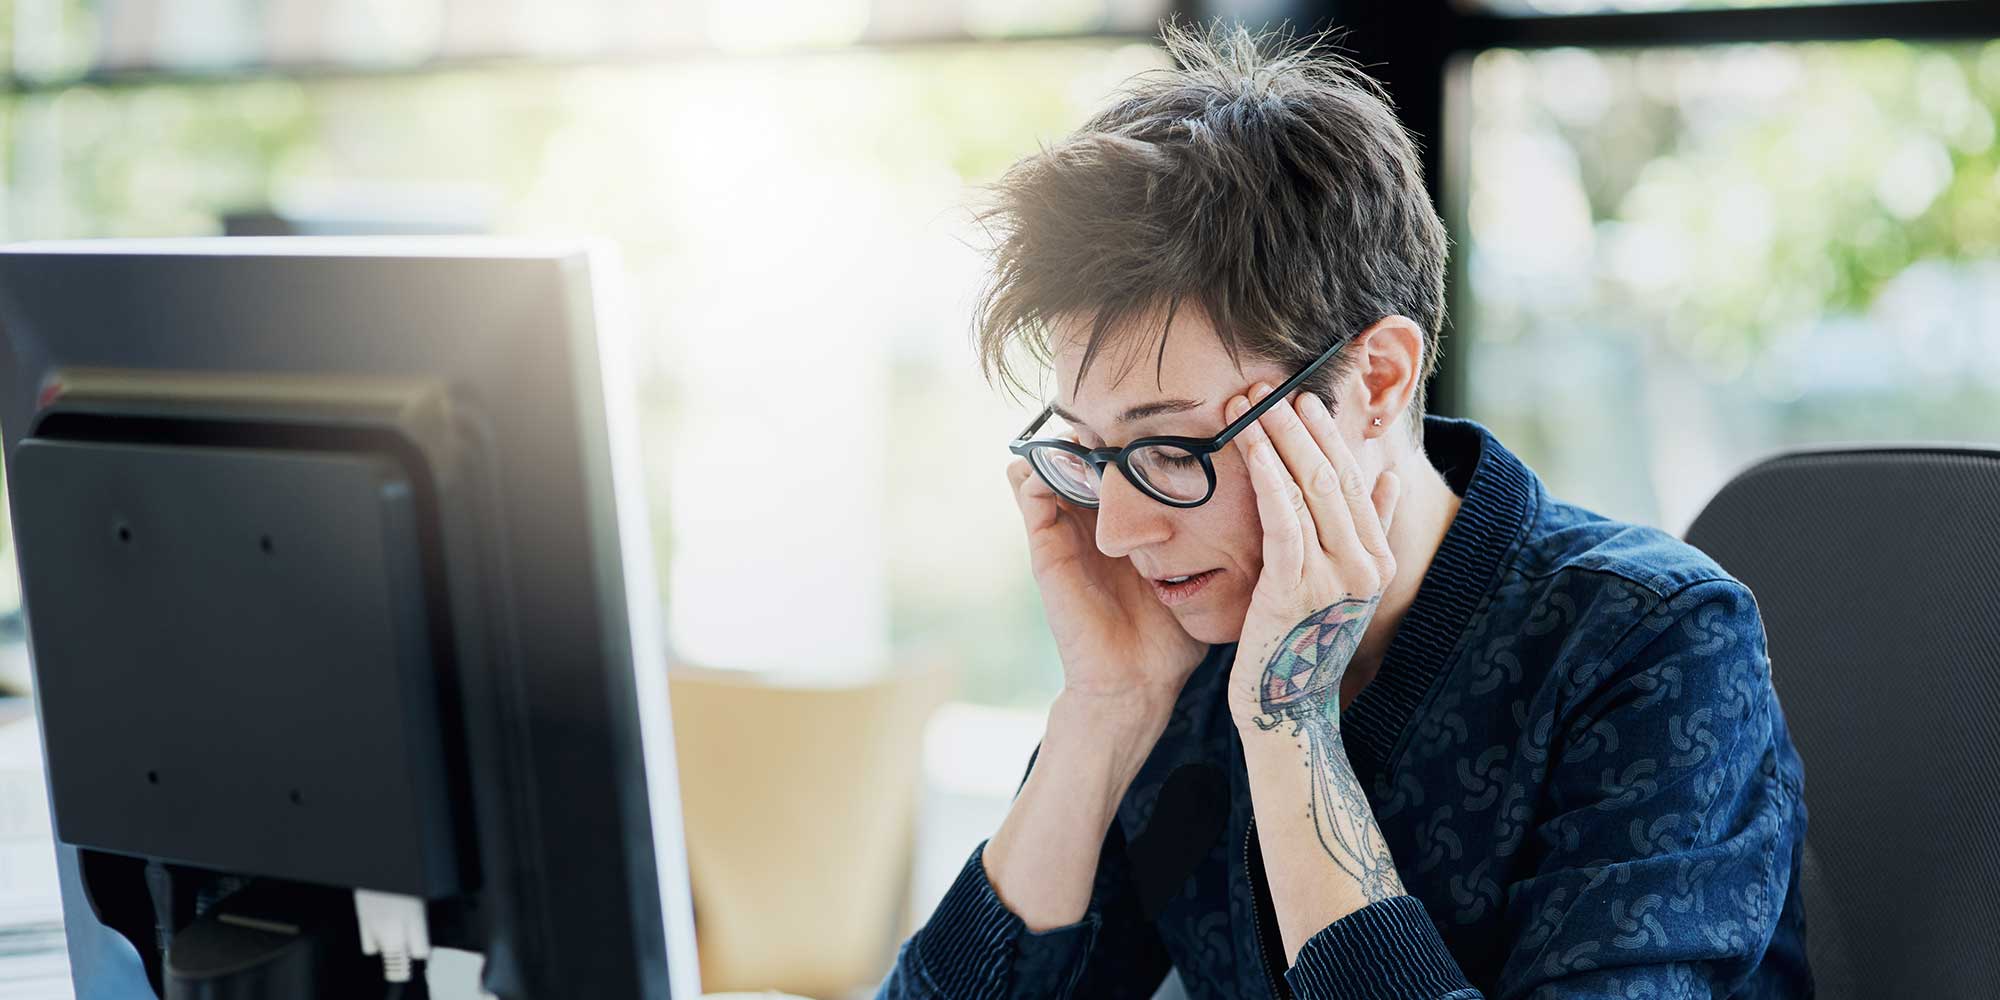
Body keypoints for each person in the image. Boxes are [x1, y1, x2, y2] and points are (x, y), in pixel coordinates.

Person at [878, 23, 1810, 1000]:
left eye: (1169, 446)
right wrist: (1100, 717)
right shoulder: (1179, 638)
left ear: (1376, 378)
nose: (1116, 528)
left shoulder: (1649, 645)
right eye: (1093, 450)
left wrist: (1288, 724)